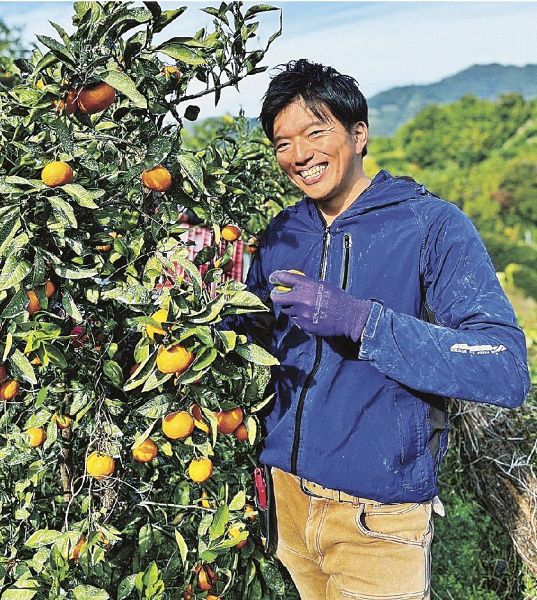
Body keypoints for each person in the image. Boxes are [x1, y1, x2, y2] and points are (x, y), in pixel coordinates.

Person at [226, 59, 530, 599]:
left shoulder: (429, 224)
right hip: (288, 503)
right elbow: (254, 342)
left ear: (359, 133)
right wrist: (203, 309)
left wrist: (361, 321)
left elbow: (502, 366)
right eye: (282, 143)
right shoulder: (281, 234)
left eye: (315, 131)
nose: (299, 155)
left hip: (378, 514)